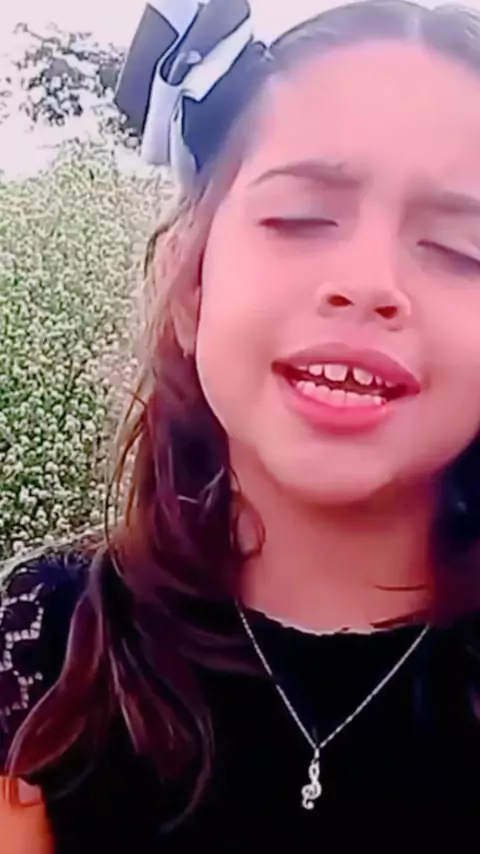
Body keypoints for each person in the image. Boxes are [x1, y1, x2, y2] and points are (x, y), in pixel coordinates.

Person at [3, 0, 480, 850]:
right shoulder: (41, 649)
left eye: (458, 249)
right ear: (192, 286)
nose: (369, 282)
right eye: (300, 218)